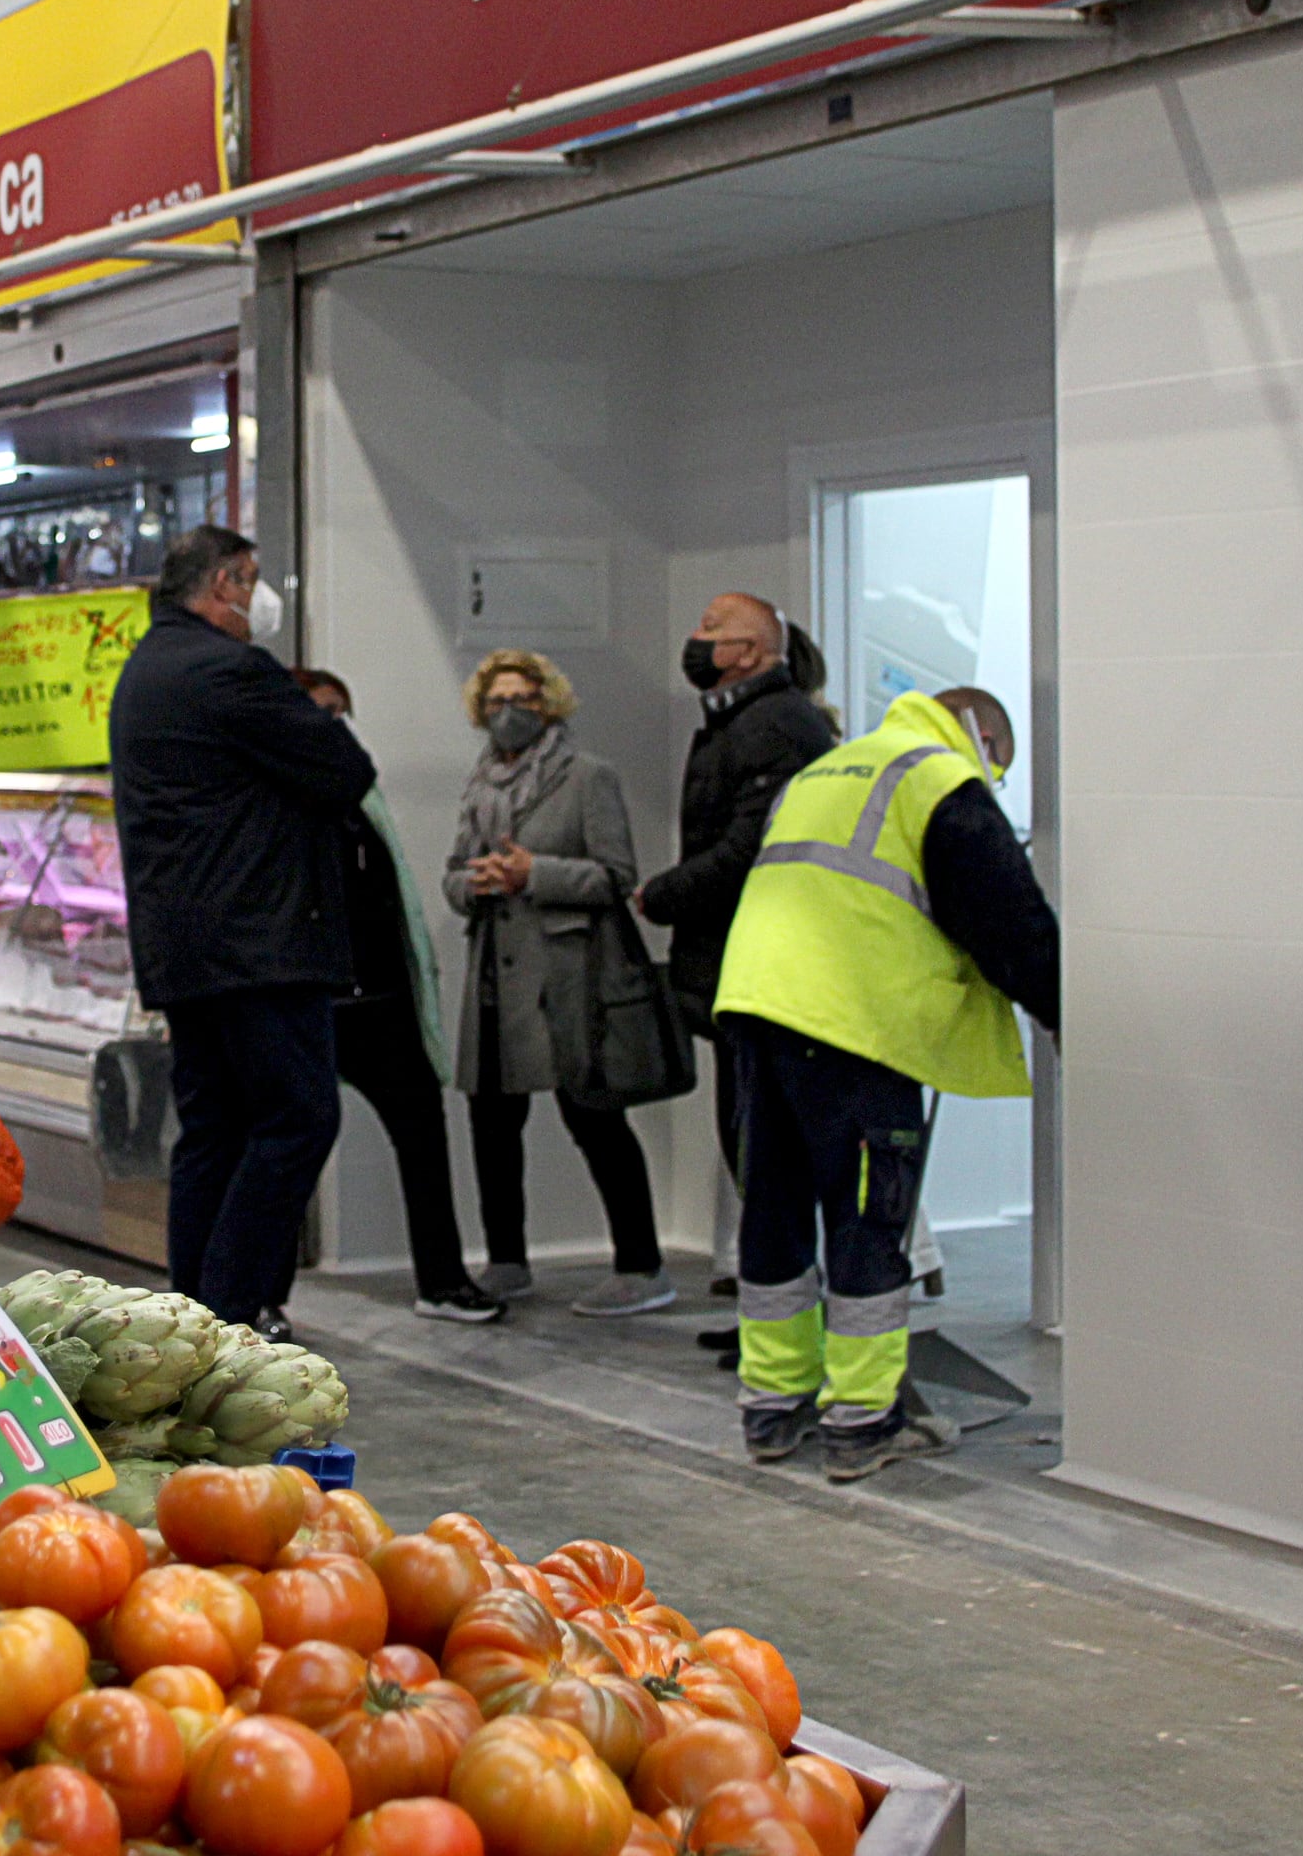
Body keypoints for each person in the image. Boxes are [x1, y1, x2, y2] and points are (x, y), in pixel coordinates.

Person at [715, 684, 1059, 1482]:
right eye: (997, 767)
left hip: (756, 1008)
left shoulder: (830, 770)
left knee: (773, 1211)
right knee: (869, 1217)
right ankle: (863, 1424)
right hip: (852, 1022)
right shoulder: (940, 779)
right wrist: (1066, 1013)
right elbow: (1012, 921)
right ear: (982, 738)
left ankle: (772, 1409)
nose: (993, 779)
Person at [108, 525, 377, 1335]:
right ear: (224, 583)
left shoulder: (146, 669)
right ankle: (229, 1311)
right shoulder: (229, 669)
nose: (262, 599)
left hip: (184, 946)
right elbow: (344, 769)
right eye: (253, 580)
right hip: (259, 941)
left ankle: (191, 1311)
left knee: (214, 1127)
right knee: (298, 1117)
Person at [445, 649, 673, 1317]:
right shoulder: (479, 782)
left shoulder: (587, 777)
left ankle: (642, 1264)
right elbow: (454, 872)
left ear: (550, 704)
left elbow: (615, 875)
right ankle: (506, 1261)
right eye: (495, 701)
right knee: (491, 1118)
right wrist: (474, 883)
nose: (507, 712)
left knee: (594, 1115)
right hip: (496, 972)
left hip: (571, 976)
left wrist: (534, 874)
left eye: (523, 699)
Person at [638, 593, 837, 1337]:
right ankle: (771, 1321)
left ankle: (785, 1328)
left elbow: (754, 846)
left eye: (712, 630)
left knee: (768, 1159)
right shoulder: (744, 720)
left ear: (752, 653)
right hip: (736, 967)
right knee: (750, 1152)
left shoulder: (776, 725)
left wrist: (666, 894)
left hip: (763, 967)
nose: (695, 639)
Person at [298, 668, 502, 1324]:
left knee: (421, 1132)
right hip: (315, 1001)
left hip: (381, 999)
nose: (336, 726)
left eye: (342, 711)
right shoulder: (281, 799)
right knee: (288, 1147)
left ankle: (440, 1279)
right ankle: (257, 1294)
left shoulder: (363, 798)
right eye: (321, 713)